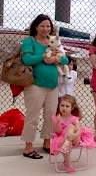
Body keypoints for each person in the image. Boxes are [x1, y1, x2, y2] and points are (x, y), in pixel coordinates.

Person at [21, 14, 68, 159]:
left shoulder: (54, 41)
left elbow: (65, 58)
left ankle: (47, 143)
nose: (45, 29)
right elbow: (26, 59)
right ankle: (28, 147)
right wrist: (44, 57)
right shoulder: (30, 42)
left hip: (53, 86)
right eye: (42, 26)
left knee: (50, 116)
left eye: (48, 26)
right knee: (32, 116)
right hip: (35, 85)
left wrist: (55, 58)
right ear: (36, 27)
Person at [51, 95, 96, 173]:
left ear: (72, 108)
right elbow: (58, 131)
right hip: (61, 138)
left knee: (70, 126)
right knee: (67, 141)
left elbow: (79, 131)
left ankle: (66, 145)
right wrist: (58, 122)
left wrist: (74, 135)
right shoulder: (57, 118)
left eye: (67, 106)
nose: (64, 108)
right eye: (62, 105)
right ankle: (68, 164)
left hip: (75, 138)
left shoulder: (74, 118)